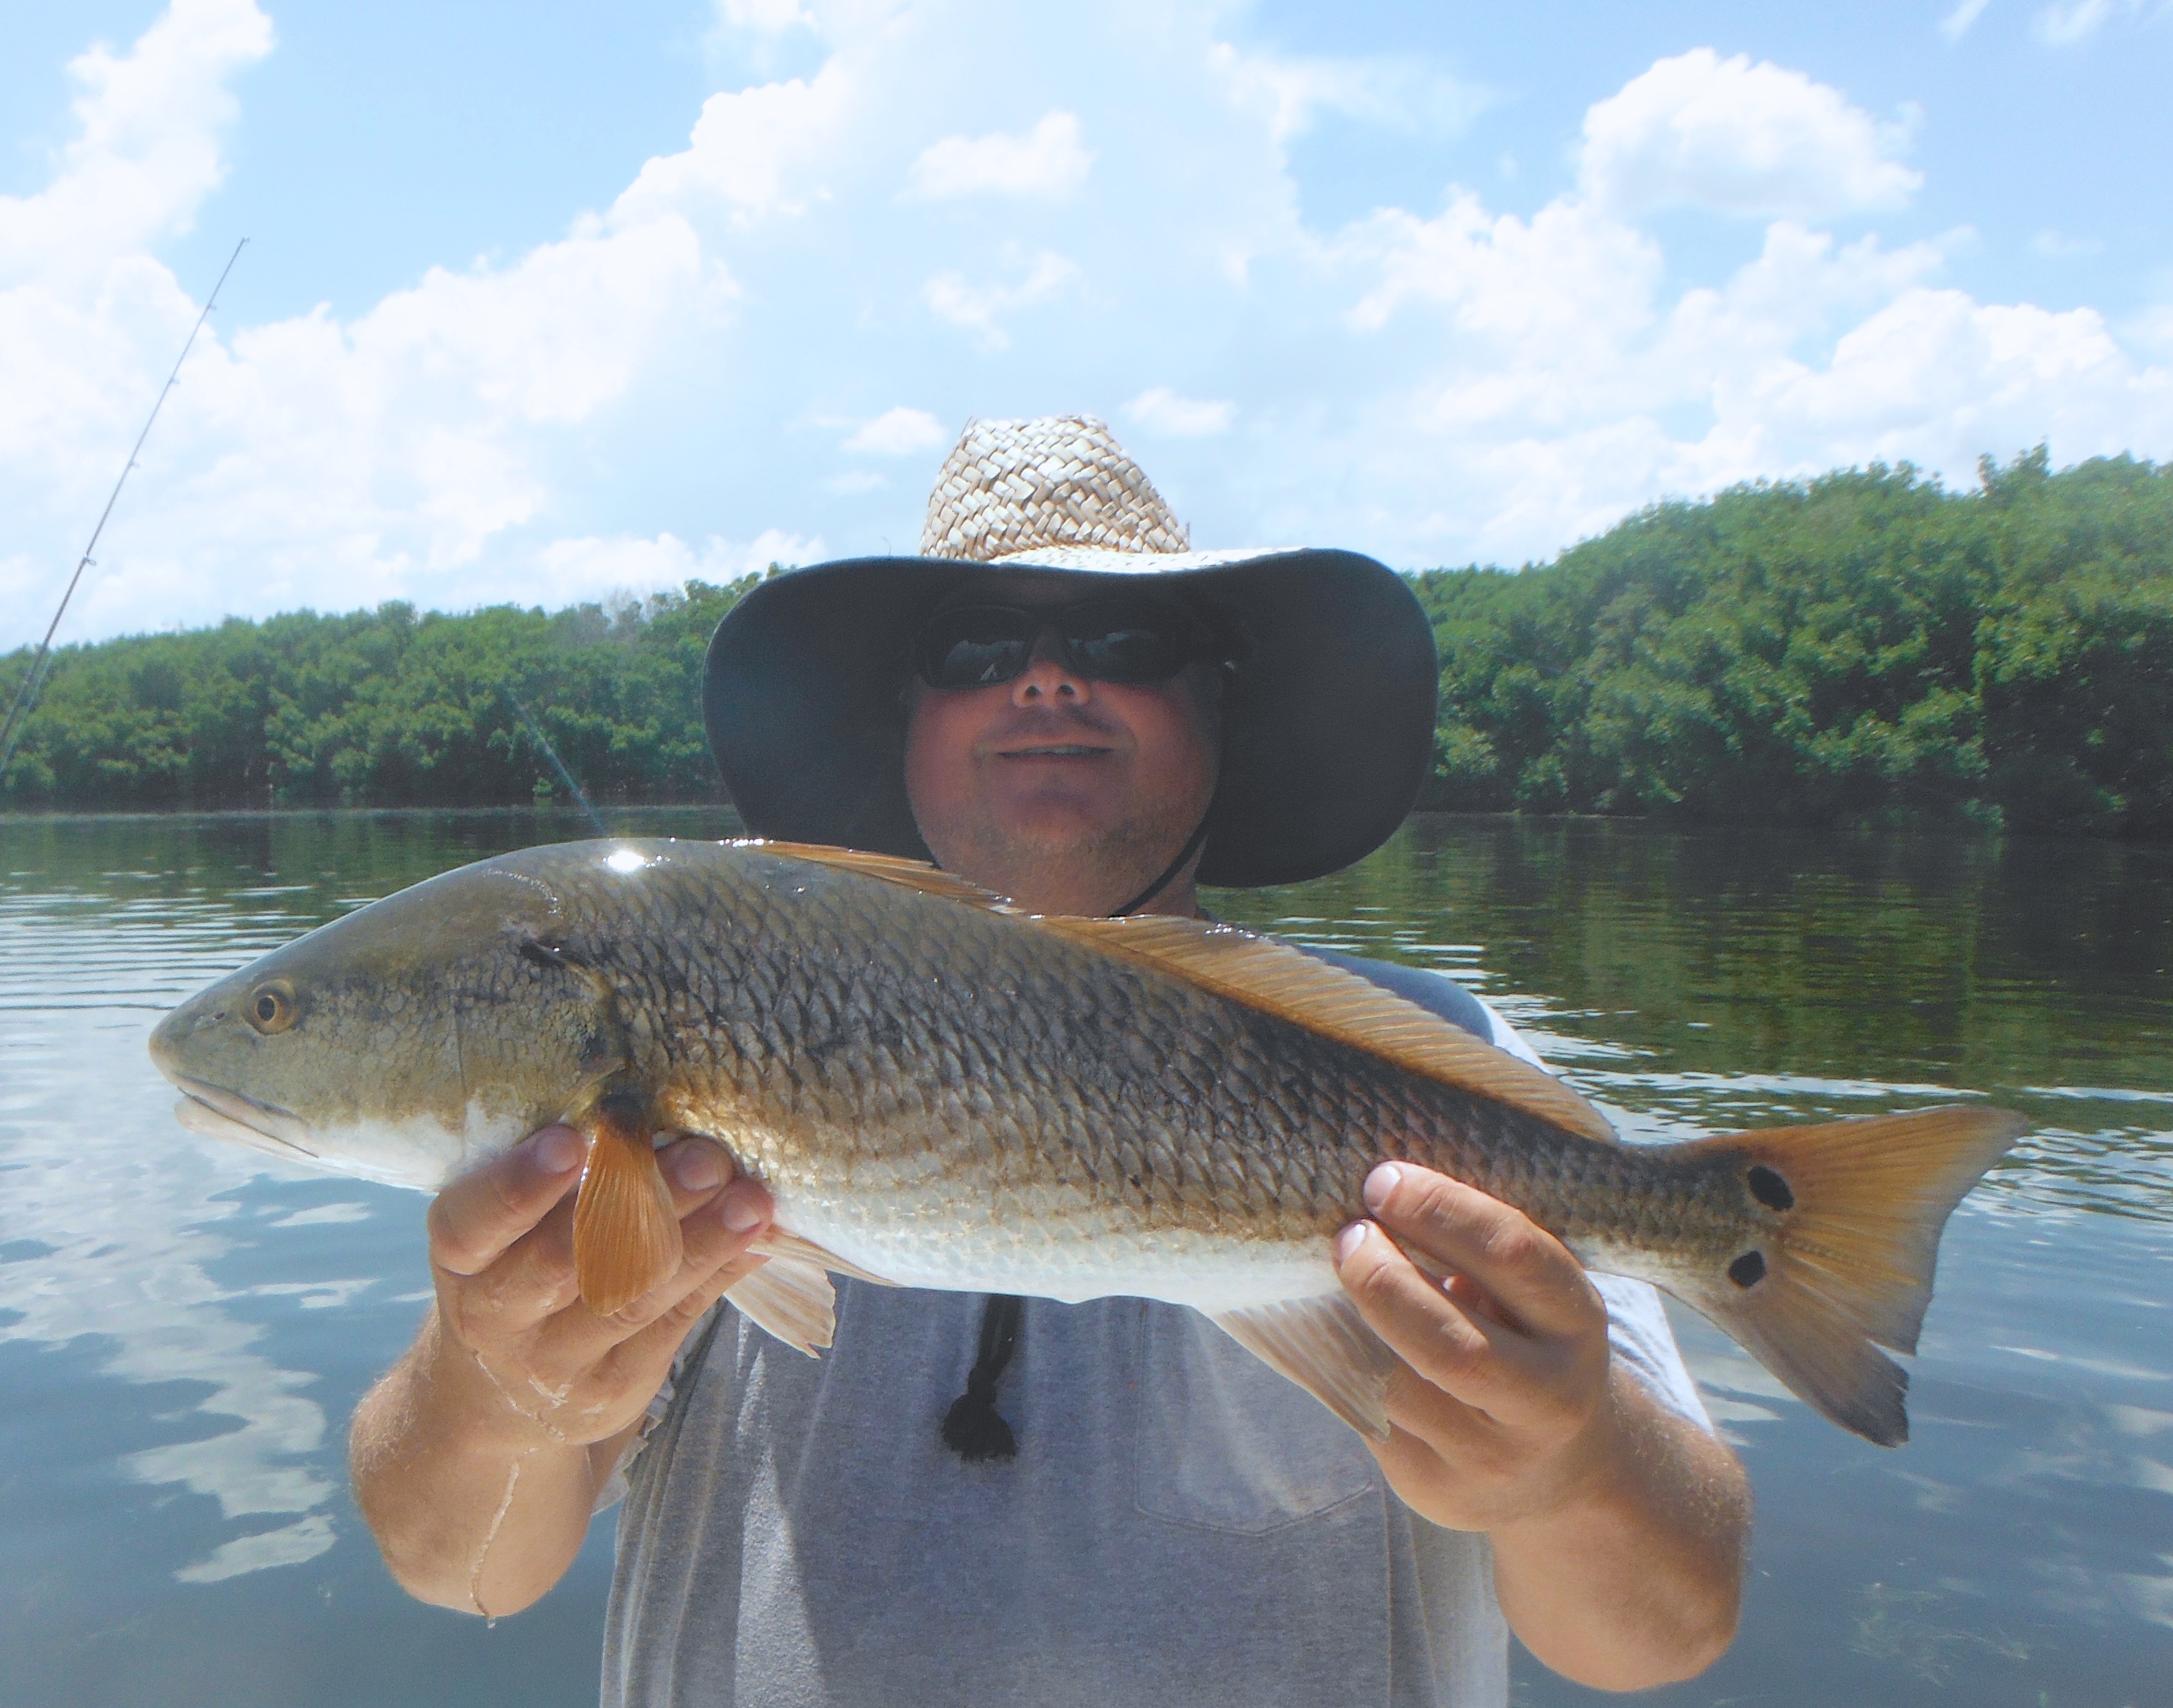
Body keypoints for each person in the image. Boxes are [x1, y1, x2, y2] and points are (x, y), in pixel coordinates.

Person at [349, 417, 1750, 1706]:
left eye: (1127, 634)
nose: (1046, 676)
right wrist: (499, 1384)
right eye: (973, 645)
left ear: (1219, 704)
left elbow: (1659, 1634)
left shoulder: (1441, 1067)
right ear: (906, 720)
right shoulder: (701, 1016)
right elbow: (461, 1569)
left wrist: (1569, 1467)